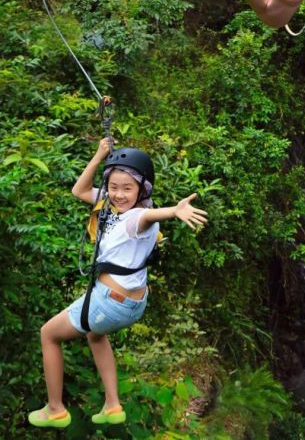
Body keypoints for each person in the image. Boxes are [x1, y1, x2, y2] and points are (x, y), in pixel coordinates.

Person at [28, 138, 207, 430]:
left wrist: (175, 210)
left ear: (142, 189)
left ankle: (55, 409)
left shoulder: (137, 217)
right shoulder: (113, 206)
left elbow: (149, 215)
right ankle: (112, 405)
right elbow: (80, 190)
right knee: (95, 336)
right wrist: (100, 155)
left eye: (127, 188)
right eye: (113, 187)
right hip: (130, 303)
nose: (119, 194)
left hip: (110, 302)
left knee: (48, 334)